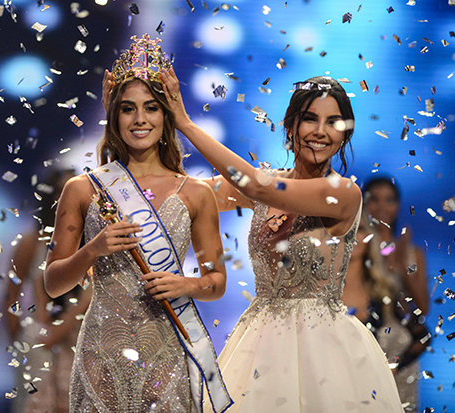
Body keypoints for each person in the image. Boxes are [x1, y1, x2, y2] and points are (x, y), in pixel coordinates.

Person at [160, 69, 404, 412]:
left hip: (325, 352)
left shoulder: (343, 193)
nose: (320, 132)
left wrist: (185, 123)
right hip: (260, 344)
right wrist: (142, 130)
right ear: (290, 126)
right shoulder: (265, 183)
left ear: (345, 134)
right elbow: (185, 193)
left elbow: (257, 186)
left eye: (333, 122)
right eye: (309, 119)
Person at [44, 35, 231, 413]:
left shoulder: (195, 192)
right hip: (101, 354)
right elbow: (53, 284)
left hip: (167, 355)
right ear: (114, 116)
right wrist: (93, 249)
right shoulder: (83, 189)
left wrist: (187, 284)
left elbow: (216, 283)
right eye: (128, 109)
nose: (140, 119)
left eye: (151, 108)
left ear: (166, 115)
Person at [5, 169, 91, 413]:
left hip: (80, 341)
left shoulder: (93, 242)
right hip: (39, 337)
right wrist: (19, 339)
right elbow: (11, 295)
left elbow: (92, 295)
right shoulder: (32, 242)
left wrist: (63, 325)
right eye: (62, 193)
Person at [343, 177, 430, 412]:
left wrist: (402, 266)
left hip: (395, 341)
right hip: (363, 335)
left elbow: (423, 310)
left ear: (399, 205)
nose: (382, 207)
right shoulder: (352, 245)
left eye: (389, 200)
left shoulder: (410, 252)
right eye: (374, 200)